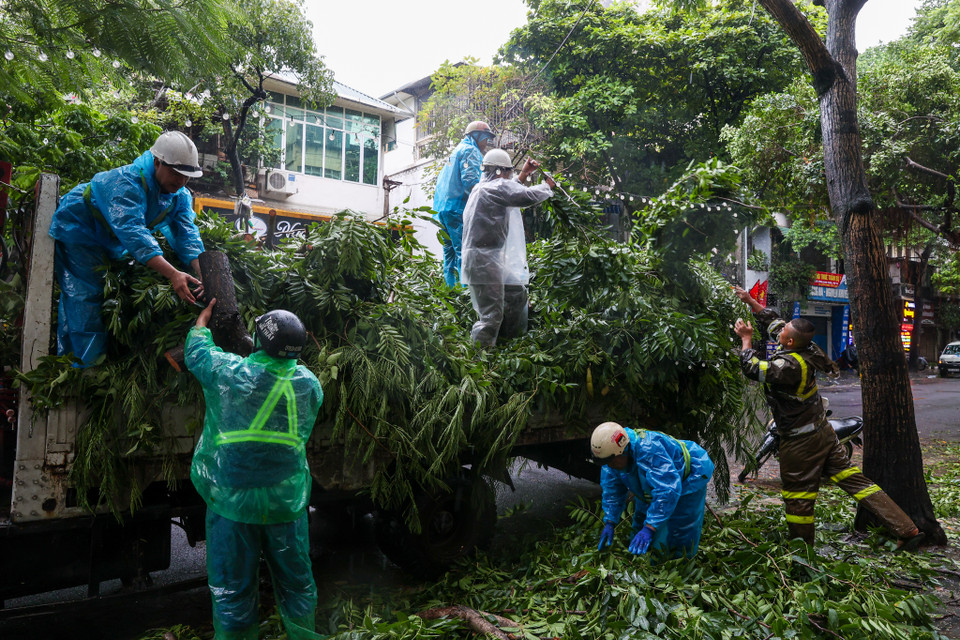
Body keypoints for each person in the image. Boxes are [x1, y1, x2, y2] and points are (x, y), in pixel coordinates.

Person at [733, 286, 924, 550]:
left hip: (800, 442)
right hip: (823, 433)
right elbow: (774, 322)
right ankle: (907, 528)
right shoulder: (807, 347)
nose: (781, 329)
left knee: (797, 497)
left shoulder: (789, 367)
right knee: (856, 482)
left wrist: (745, 340)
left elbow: (753, 369)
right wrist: (749, 300)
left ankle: (802, 554)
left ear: (789, 343)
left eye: (784, 332)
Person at [186, 299, 324, 640]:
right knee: (297, 584)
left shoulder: (233, 374)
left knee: (232, 590)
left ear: (260, 340)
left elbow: (199, 354)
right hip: (285, 503)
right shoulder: (308, 384)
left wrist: (201, 322)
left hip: (234, 502)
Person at [49, 130, 206, 366]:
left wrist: (202, 272)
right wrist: (173, 274)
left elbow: (187, 234)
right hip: (80, 230)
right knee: (85, 296)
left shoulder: (179, 196)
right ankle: (82, 367)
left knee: (107, 292)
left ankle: (84, 356)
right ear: (157, 163)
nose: (181, 182)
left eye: (187, 177)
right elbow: (134, 232)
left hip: (109, 239)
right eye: (175, 173)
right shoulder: (125, 183)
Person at [460, 149, 555, 347]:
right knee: (490, 317)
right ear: (499, 171)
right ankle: (479, 360)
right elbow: (525, 196)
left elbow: (509, 191)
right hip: (484, 261)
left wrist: (524, 174)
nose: (509, 176)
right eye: (508, 172)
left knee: (516, 293)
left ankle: (509, 342)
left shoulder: (481, 188)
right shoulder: (494, 188)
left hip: (484, 259)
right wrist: (547, 187)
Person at [592, 422, 715, 559]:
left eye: (612, 462)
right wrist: (610, 521)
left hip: (689, 477)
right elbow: (612, 491)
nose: (610, 466)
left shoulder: (650, 450)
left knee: (677, 533)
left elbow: (667, 490)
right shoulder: (611, 458)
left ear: (623, 451)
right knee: (641, 522)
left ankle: (678, 564)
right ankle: (641, 556)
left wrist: (650, 528)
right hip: (658, 485)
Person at [432, 120, 496, 287]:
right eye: (486, 138)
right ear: (477, 135)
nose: (487, 143)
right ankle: (465, 295)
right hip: (457, 210)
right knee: (464, 253)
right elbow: (471, 182)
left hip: (443, 210)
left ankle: (450, 294)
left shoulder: (456, 151)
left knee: (450, 256)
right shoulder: (470, 150)